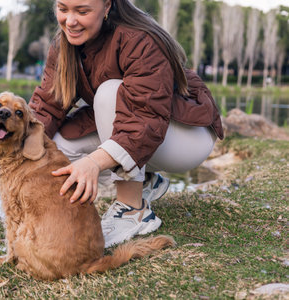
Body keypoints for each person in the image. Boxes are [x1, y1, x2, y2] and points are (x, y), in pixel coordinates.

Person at [28, 0, 223, 248]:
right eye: (63, 9)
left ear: (107, 6)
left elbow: (145, 116)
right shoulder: (63, 44)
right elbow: (47, 105)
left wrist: (94, 162)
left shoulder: (139, 39)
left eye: (82, 11)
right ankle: (147, 181)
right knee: (55, 146)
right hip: (139, 127)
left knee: (110, 93)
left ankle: (134, 211)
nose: (70, 21)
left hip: (186, 135)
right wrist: (14, 152)